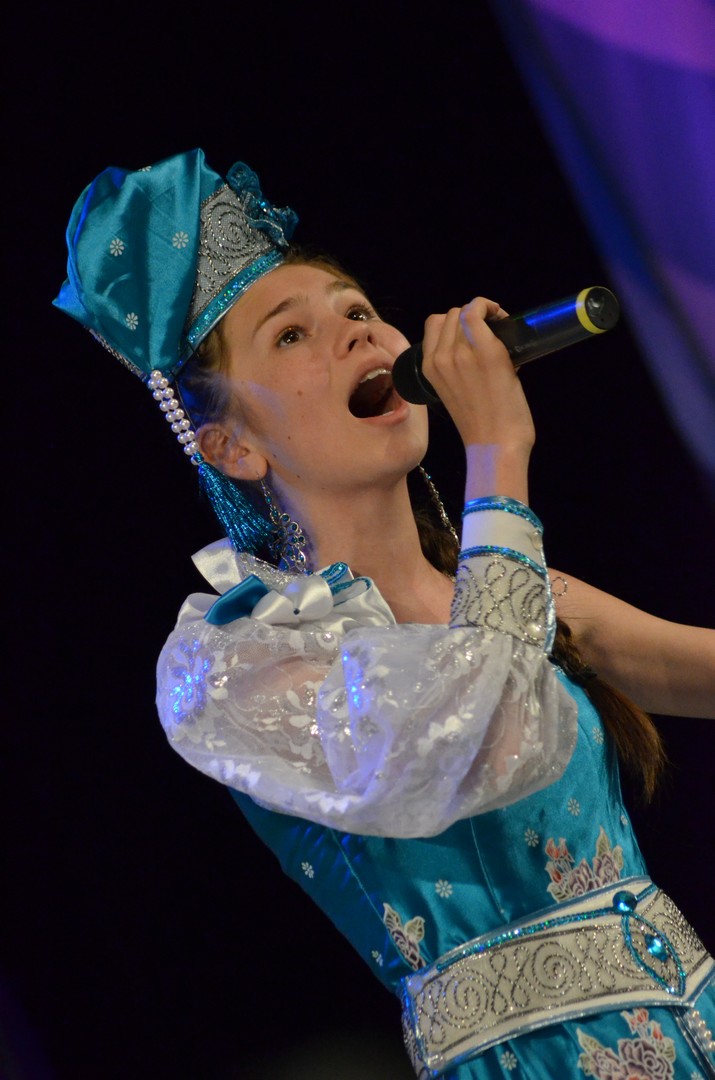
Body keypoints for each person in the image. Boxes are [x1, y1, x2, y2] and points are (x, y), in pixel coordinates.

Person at [55, 148, 715, 1079]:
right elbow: (479, 731)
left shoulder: (520, 593)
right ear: (232, 446)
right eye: (292, 335)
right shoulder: (233, 660)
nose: (356, 337)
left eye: (358, 311)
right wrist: (497, 450)